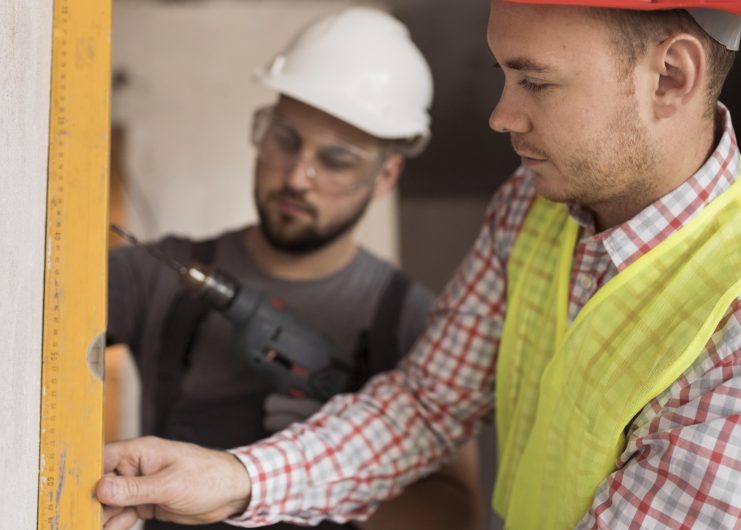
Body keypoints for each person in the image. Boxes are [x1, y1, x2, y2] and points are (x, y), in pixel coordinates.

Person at [98, 1, 741, 529]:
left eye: (535, 81)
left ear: (671, 75)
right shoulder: (534, 205)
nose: (501, 115)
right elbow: (427, 403)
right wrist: (235, 478)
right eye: (503, 75)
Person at [104, 7, 482, 530]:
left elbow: (457, 515)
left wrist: (340, 461)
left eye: (336, 159)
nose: (298, 177)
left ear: (385, 176)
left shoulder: (415, 322)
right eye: (285, 139)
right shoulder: (161, 275)